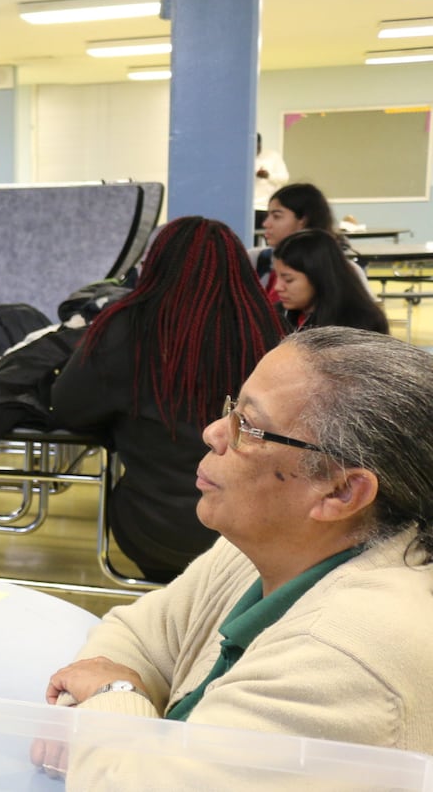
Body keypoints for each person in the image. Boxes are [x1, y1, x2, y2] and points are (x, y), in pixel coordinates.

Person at [38, 328, 433, 784]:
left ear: (341, 491)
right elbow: (135, 636)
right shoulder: (267, 546)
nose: (212, 432)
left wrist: (112, 695)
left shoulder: (344, 653)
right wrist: (105, 699)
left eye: (247, 426)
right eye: (232, 409)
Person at [51, 217, 285, 581]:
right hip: (254, 538)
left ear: (155, 263)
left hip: (153, 532)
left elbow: (68, 407)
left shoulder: (126, 328)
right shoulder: (267, 330)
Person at [271, 230, 389, 333]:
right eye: (277, 276)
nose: (278, 287)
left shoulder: (360, 325)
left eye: (288, 279)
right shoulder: (278, 316)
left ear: (318, 277)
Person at [252, 132, 288, 214]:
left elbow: (284, 178)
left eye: (257, 147)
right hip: (247, 206)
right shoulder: (241, 157)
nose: (255, 150)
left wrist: (268, 176)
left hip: (267, 206)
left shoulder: (273, 156)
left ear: (260, 144)